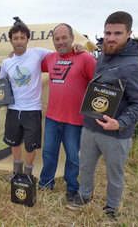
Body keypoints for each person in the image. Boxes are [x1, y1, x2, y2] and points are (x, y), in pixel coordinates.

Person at [67, 11, 138, 219]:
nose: (111, 37)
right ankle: (84, 196)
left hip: (115, 134)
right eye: (108, 33)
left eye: (117, 33)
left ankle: (111, 208)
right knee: (85, 167)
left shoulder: (136, 66)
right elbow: (93, 52)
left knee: (114, 175)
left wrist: (120, 122)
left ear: (129, 34)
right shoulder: (105, 55)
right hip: (90, 127)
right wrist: (82, 48)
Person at [38, 23, 96, 203]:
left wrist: (88, 51)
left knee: (73, 157)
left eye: (64, 38)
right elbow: (29, 63)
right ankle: (45, 184)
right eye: (57, 39)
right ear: (53, 41)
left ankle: (72, 189)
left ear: (72, 38)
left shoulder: (85, 59)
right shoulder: (49, 58)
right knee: (48, 153)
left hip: (76, 121)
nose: (61, 42)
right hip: (52, 118)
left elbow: (100, 83)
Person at [0, 21, 51, 176]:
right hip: (13, 110)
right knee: (14, 142)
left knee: (30, 146)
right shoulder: (7, 62)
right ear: (11, 40)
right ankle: (16, 171)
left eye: (22, 37)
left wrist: (77, 49)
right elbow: (1, 86)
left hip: (32, 110)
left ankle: (27, 174)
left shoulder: (38, 53)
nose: (19, 40)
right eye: (15, 38)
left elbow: (59, 54)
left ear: (27, 39)